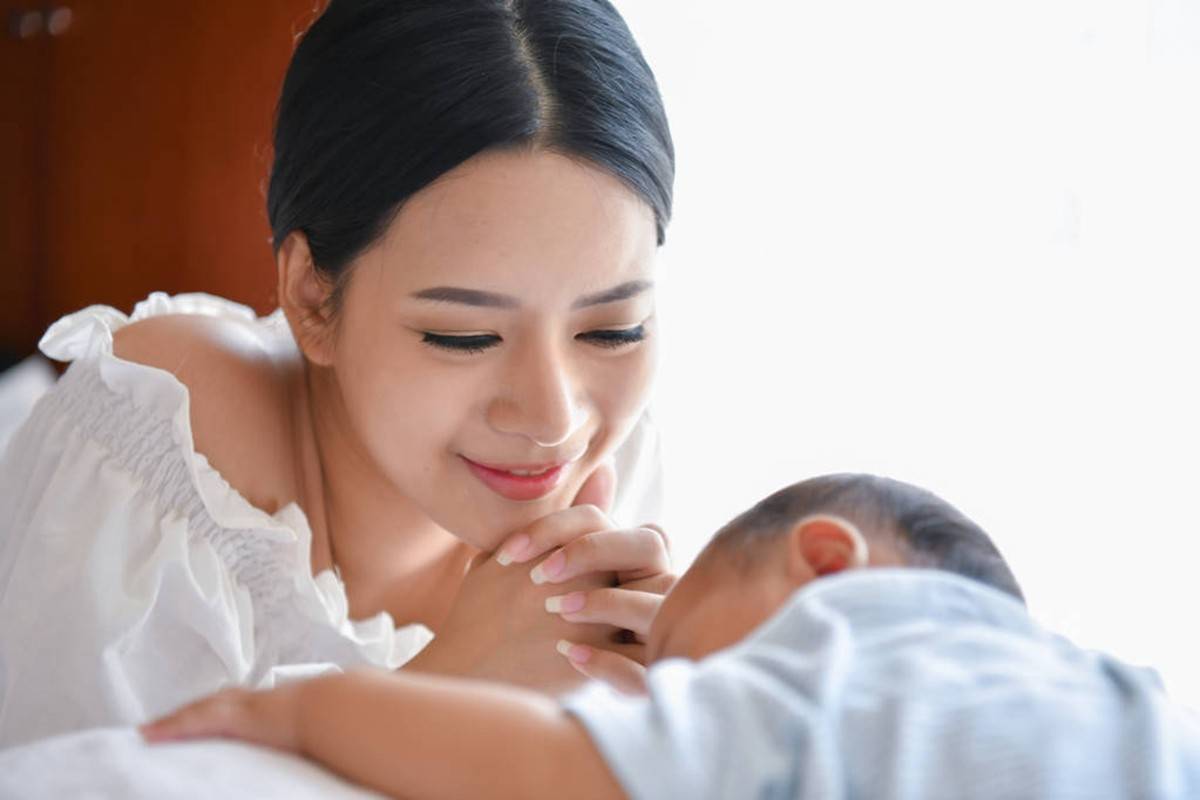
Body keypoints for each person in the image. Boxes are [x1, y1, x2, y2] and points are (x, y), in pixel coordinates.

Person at [0, 0, 676, 748]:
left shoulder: (614, 462)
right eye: (466, 335)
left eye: (612, 328)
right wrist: (452, 690)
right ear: (313, 301)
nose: (556, 419)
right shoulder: (160, 448)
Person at [144, 473, 1200, 800]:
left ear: (827, 564)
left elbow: (548, 769)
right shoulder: (1101, 688)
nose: (669, 692)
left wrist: (302, 703)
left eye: (692, 667)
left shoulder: (837, 662)